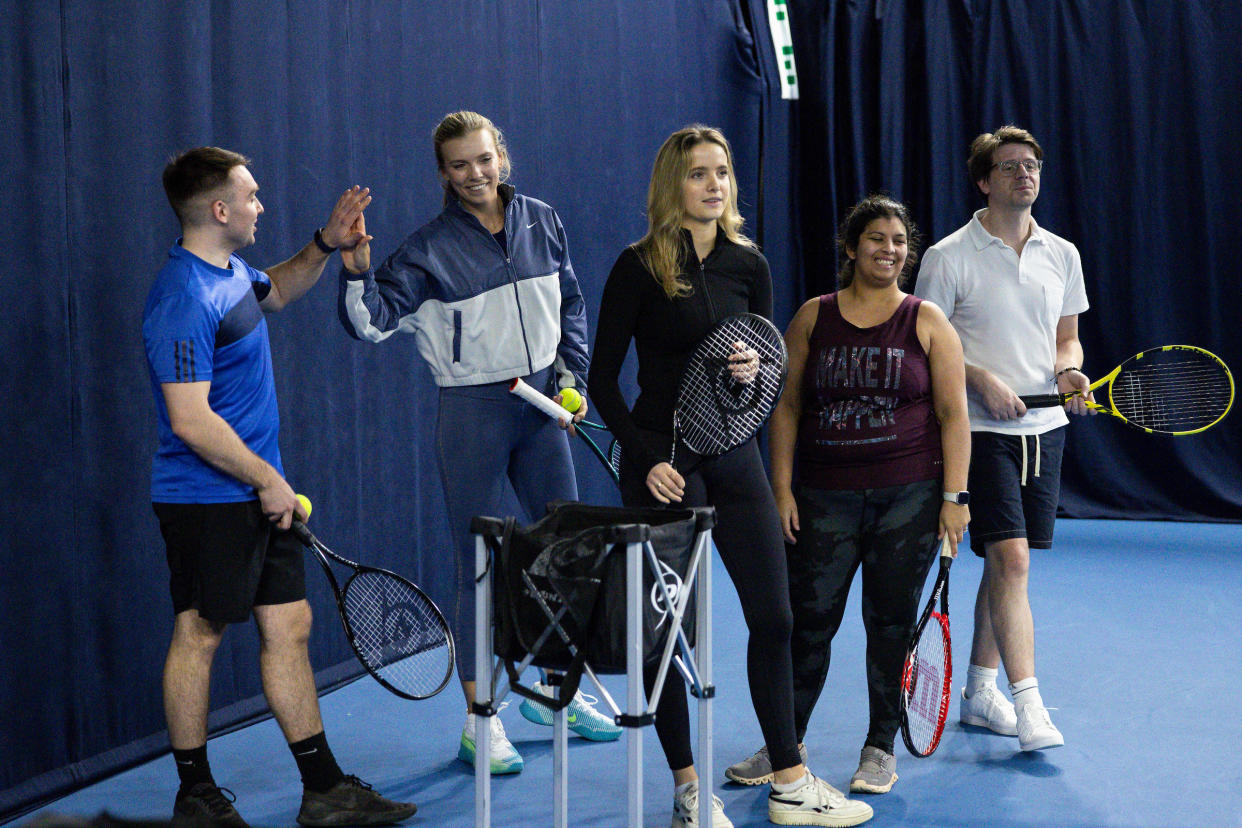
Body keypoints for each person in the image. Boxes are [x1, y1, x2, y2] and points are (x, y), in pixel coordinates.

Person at [589, 125, 873, 828]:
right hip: (662, 463)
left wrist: (749, 372)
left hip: (735, 456)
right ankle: (690, 792)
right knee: (667, 636)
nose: (714, 184)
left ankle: (790, 778)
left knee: (775, 618)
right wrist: (644, 457)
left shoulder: (750, 265)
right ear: (671, 186)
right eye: (697, 174)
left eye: (721, 172)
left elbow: (760, 368)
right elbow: (602, 381)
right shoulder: (637, 266)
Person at [336, 111, 620, 774]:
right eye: (459, 165)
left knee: (563, 558)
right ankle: (479, 720)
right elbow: (370, 325)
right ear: (443, 173)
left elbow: (571, 303)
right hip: (473, 415)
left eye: (484, 159)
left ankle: (554, 694)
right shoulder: (427, 248)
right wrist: (356, 271)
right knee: (482, 569)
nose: (475, 174)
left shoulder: (543, 219)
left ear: (503, 159)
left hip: (543, 408)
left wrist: (569, 377)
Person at [143, 147, 416, 826]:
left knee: (289, 626)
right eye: (253, 196)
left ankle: (323, 790)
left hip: (260, 493)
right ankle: (195, 795)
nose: (261, 205)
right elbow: (190, 418)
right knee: (200, 632)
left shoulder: (232, 271)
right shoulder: (183, 297)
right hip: (206, 499)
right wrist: (268, 478)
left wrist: (327, 243)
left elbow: (282, 289)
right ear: (220, 209)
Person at [726, 195, 970, 797]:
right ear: (851, 247)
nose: (889, 250)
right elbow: (784, 406)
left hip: (907, 499)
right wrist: (781, 487)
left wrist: (954, 497)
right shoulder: (813, 317)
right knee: (807, 624)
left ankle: (879, 747)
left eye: (898, 242)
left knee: (889, 625)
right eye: (876, 239)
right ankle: (787, 746)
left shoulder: (927, 320)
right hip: (822, 498)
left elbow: (953, 413)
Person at [914, 125, 1092, 751]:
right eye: (1011, 166)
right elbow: (925, 346)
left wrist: (1070, 370)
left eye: (1033, 164)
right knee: (1011, 559)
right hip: (978, 431)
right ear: (985, 180)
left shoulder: (1062, 254)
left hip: (1044, 430)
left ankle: (978, 693)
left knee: (1002, 562)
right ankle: (1029, 704)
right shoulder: (946, 256)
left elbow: (1065, 337)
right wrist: (979, 378)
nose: (1025, 174)